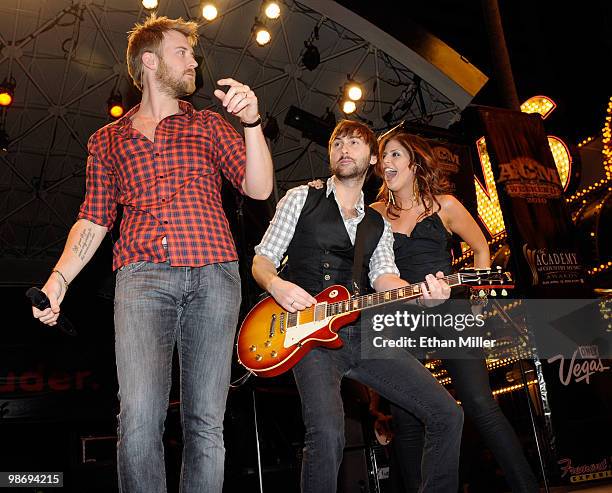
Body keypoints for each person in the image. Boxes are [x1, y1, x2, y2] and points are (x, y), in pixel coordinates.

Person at [31, 15, 273, 493]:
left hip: (213, 273)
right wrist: (57, 280)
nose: (193, 61)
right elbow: (94, 218)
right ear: (150, 60)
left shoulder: (207, 124)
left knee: (206, 420)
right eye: (183, 51)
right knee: (139, 416)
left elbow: (258, 187)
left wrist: (251, 123)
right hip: (142, 279)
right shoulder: (107, 141)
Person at [252, 119, 463, 493]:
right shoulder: (301, 198)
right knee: (328, 434)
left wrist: (425, 293)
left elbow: (384, 278)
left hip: (363, 332)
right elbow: (263, 260)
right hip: (308, 335)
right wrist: (277, 284)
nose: (344, 149)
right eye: (337, 143)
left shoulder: (378, 223)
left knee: (447, 414)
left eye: (354, 143)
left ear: (373, 160)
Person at [370, 126, 539, 492]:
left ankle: (527, 487)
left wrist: (476, 305)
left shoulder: (445, 205)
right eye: (383, 156)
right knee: (407, 415)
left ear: (414, 164)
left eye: (395, 154)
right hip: (402, 313)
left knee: (480, 403)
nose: (386, 161)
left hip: (451, 308)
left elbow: (481, 248)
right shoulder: (374, 214)